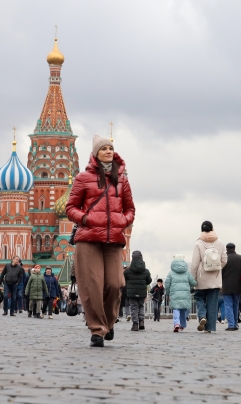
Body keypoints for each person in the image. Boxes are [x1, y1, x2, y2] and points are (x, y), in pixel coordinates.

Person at [66, 135, 136, 348]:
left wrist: (122, 221)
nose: (108, 151)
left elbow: (130, 208)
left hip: (113, 239)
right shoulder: (83, 178)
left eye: (111, 148)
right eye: (104, 148)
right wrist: (86, 218)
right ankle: (97, 330)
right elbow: (70, 208)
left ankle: (109, 321)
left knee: (115, 284)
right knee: (92, 286)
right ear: (95, 153)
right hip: (88, 239)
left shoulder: (121, 179)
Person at [190, 220, 228, 334]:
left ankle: (202, 316)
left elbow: (195, 263)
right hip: (215, 278)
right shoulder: (220, 242)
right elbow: (224, 260)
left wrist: (193, 279)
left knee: (199, 297)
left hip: (201, 277)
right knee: (213, 303)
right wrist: (216, 267)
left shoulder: (198, 243)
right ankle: (210, 327)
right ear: (212, 229)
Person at [165, 254, 197, 332]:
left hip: (174, 294)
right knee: (183, 309)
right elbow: (193, 283)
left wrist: (168, 293)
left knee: (176, 309)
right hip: (185, 294)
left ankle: (176, 323)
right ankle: (182, 325)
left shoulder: (171, 273)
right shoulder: (187, 272)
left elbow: (167, 284)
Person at [123, 251, 152, 331]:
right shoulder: (146, 271)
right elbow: (149, 281)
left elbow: (124, 279)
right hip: (142, 292)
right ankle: (141, 321)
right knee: (141, 306)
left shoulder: (127, 271)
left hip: (131, 293)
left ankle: (135, 324)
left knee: (133, 307)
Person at [221, 242, 241, 331]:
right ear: (234, 248)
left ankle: (231, 325)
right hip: (238, 285)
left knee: (228, 305)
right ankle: (235, 324)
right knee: (236, 304)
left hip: (226, 285)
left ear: (226, 249)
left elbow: (220, 272)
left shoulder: (223, 259)